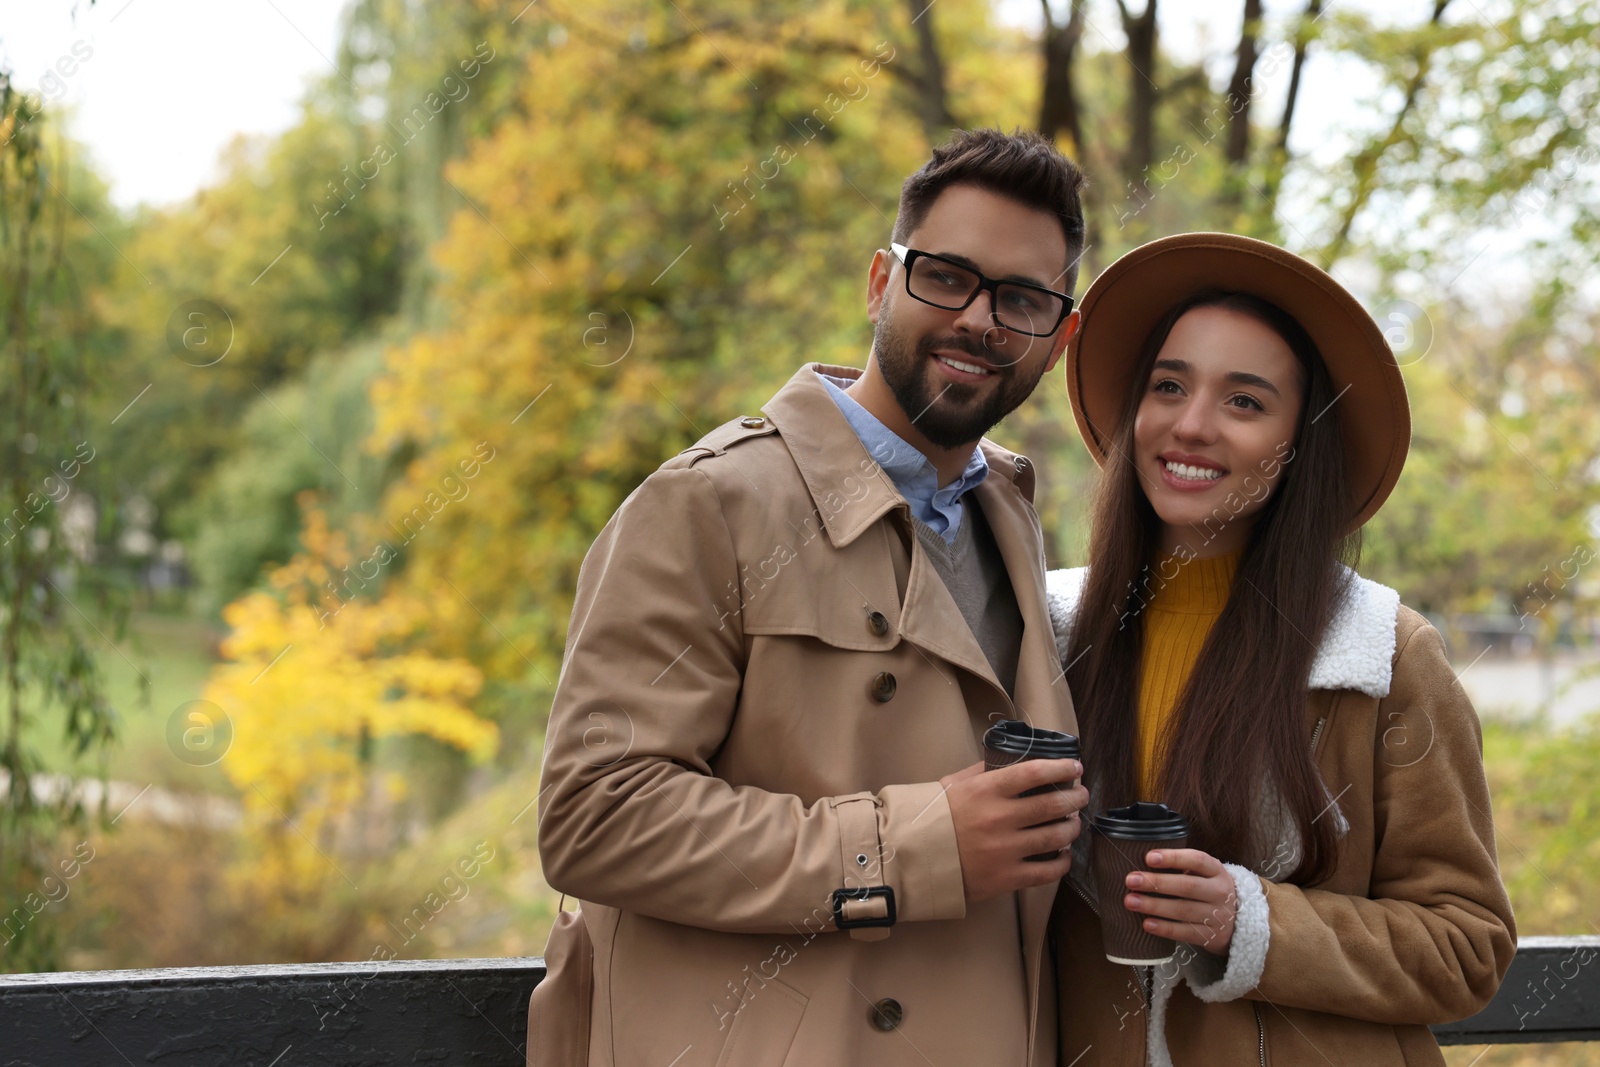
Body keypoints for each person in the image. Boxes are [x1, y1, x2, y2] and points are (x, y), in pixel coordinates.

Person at [534, 128, 1090, 1067]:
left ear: (1058, 337)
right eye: (946, 276)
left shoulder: (1011, 511)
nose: (981, 319)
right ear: (882, 281)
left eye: (1023, 299)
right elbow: (595, 814)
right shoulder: (710, 502)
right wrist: (917, 844)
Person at [1043, 232, 1517, 1066]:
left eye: (1245, 401)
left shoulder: (1384, 655)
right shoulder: (1048, 633)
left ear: (1298, 445)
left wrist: (1252, 920)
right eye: (1168, 386)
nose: (1191, 426)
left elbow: (1466, 946)